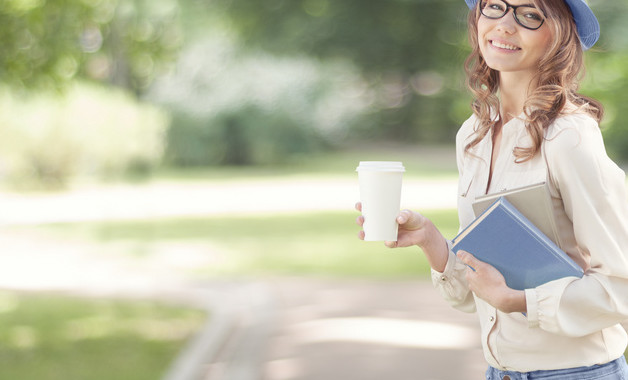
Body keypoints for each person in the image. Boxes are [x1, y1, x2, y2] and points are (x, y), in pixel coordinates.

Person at [356, 0, 628, 378]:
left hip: (576, 371)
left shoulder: (570, 136)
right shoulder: (473, 136)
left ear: (559, 36)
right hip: (500, 371)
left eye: (529, 14)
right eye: (494, 7)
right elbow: (479, 291)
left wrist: (517, 301)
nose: (503, 25)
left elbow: (621, 285)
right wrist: (430, 240)